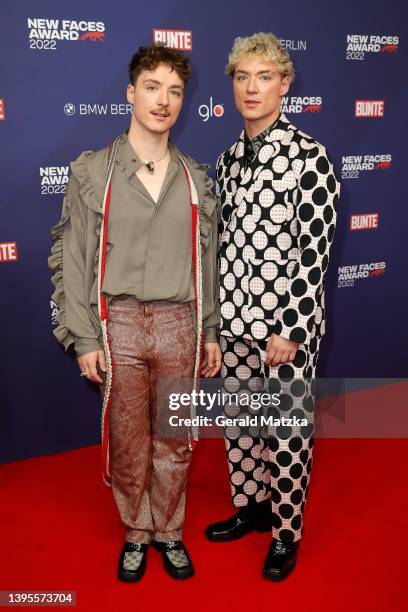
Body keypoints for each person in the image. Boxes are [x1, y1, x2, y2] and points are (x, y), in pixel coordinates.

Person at [49, 44, 221, 582]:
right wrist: (83, 338)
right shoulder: (92, 171)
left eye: (174, 91)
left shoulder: (195, 179)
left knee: (174, 436)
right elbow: (72, 257)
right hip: (116, 322)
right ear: (130, 92)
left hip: (179, 323)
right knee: (127, 439)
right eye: (153, 87)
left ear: (183, 101)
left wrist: (209, 330)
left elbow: (206, 262)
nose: (163, 101)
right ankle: (135, 530)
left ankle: (169, 532)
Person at [205, 32, 340, 580]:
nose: (252, 88)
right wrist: (215, 324)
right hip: (234, 320)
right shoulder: (227, 160)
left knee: (285, 430)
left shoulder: (310, 158)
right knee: (240, 425)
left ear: (285, 84)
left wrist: (289, 329)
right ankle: (252, 508)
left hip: (285, 331)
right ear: (233, 87)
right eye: (242, 77)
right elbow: (221, 247)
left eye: (264, 77)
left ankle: (287, 531)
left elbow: (314, 253)